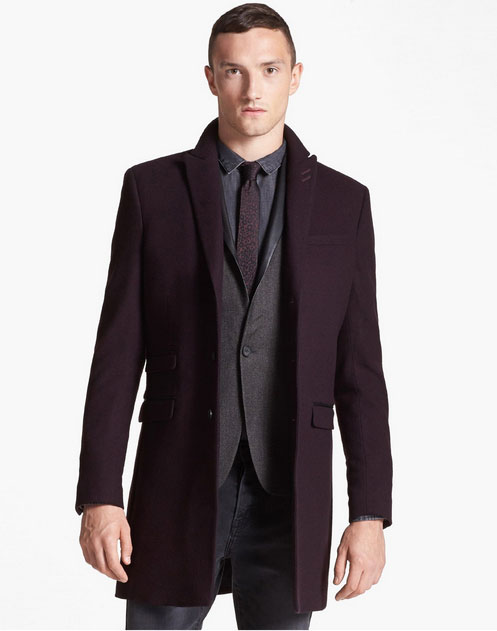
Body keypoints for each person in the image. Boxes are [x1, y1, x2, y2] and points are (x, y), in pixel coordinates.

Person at [76, 3, 393, 629]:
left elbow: (360, 369)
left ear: (295, 76)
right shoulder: (152, 190)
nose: (252, 89)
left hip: (291, 489)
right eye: (234, 70)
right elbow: (116, 354)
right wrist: (100, 495)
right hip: (177, 477)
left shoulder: (344, 202)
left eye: (269, 69)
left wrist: (369, 513)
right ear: (210, 78)